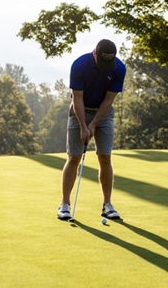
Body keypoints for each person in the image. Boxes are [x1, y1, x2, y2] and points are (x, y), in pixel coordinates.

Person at [57, 39, 126, 221]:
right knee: (74, 157)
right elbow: (77, 99)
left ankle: (107, 204)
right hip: (80, 111)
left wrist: (94, 124)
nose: (106, 67)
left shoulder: (118, 68)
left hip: (103, 114)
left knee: (105, 157)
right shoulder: (80, 65)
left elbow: (109, 99)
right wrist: (83, 126)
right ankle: (64, 204)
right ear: (94, 53)